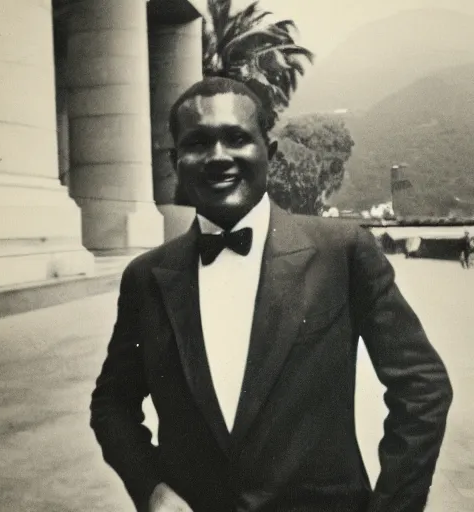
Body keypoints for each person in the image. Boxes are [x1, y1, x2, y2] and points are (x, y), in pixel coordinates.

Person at [90, 77, 453, 512]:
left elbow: (423, 387)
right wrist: (151, 488)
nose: (218, 157)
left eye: (237, 138)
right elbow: (112, 403)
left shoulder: (343, 252)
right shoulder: (145, 278)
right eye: (198, 142)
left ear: (270, 152)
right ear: (176, 161)